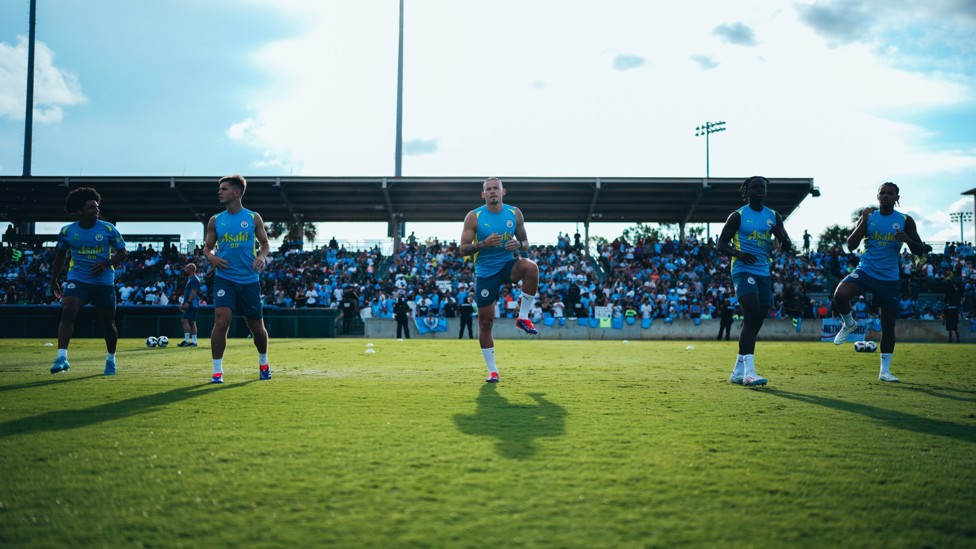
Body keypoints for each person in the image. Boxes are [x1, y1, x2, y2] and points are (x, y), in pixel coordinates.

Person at [831, 182, 926, 382]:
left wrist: (908, 239)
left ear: (896, 197)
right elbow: (850, 245)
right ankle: (848, 323)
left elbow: (920, 250)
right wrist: (862, 222)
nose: (885, 196)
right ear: (877, 197)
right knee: (840, 294)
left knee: (888, 325)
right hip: (866, 271)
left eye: (889, 193)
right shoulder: (869, 217)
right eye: (882, 193)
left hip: (889, 278)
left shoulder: (905, 220)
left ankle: (885, 371)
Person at [459, 177, 540, 383]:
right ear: (483, 194)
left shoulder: (514, 213)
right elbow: (463, 249)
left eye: (496, 188)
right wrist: (483, 244)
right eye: (489, 189)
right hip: (486, 272)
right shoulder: (474, 216)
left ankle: (523, 317)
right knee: (486, 323)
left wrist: (518, 245)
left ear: (503, 192)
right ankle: (492, 370)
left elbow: (525, 242)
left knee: (531, 267)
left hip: (507, 265)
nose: (493, 192)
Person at [717, 176, 792, 387]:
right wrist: (738, 254)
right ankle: (750, 373)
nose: (760, 190)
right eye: (755, 187)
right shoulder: (738, 216)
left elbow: (787, 247)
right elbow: (721, 244)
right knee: (751, 311)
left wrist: (780, 235)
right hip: (742, 268)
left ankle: (737, 370)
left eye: (763, 187)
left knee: (757, 318)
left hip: (762, 271)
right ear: (747, 191)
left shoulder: (773, 215)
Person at [48, 187, 128, 375]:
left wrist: (106, 264)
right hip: (78, 278)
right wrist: (53, 280)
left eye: (97, 207)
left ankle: (110, 360)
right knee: (68, 310)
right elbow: (60, 255)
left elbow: (123, 252)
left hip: (103, 282)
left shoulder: (108, 228)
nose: (96, 210)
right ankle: (62, 357)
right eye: (91, 207)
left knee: (107, 323)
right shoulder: (67, 231)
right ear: (80, 211)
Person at [203, 174, 272, 383]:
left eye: (224, 189)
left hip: (249, 280)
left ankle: (263, 363)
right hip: (225, 279)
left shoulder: (253, 218)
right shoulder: (215, 220)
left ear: (237, 192)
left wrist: (261, 257)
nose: (219, 192)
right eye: (219, 189)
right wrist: (212, 258)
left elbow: (265, 244)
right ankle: (217, 371)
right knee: (221, 321)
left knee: (256, 328)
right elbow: (207, 248)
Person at [178, 262, 201, 347]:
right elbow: (188, 293)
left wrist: (187, 302)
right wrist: (183, 303)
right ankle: (194, 342)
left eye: (186, 268)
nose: (185, 270)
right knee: (191, 322)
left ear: (191, 269)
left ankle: (187, 341)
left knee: (184, 320)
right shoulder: (191, 279)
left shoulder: (194, 279)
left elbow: (194, 292)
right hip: (192, 303)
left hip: (192, 303)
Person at [944, 277, 963, 343]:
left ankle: (955, 339)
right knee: (953, 330)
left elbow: (946, 314)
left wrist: (944, 320)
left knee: (953, 330)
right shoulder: (951, 307)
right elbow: (945, 314)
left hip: (951, 319)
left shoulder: (951, 307)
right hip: (951, 319)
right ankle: (952, 339)